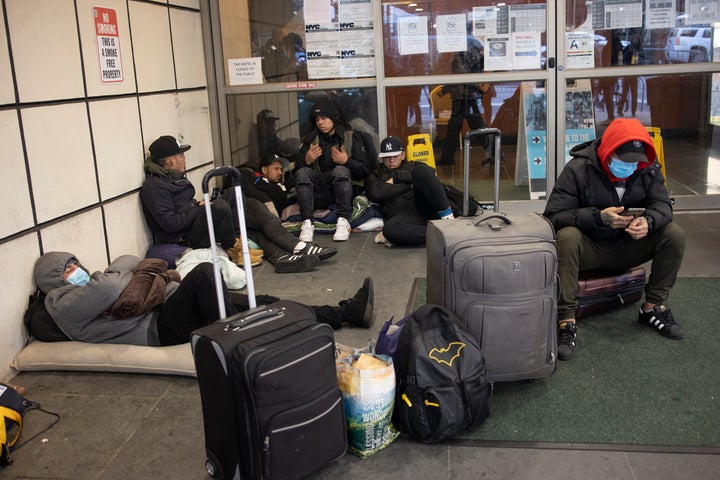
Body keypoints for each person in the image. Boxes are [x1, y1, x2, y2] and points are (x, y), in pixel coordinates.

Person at [543, 118, 686, 361]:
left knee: (673, 233)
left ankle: (652, 308)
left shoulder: (648, 167)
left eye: (635, 162)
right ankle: (566, 319)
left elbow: (662, 204)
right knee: (567, 236)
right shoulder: (578, 169)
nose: (630, 167)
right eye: (624, 161)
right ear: (608, 150)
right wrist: (598, 218)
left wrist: (648, 222)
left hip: (627, 244)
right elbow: (553, 217)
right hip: (589, 247)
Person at [28, 252, 375, 345]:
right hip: (156, 329)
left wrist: (127, 269)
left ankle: (342, 312)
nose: (77, 269)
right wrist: (125, 268)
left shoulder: (85, 288)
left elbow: (126, 267)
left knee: (260, 299)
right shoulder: (61, 304)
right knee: (204, 274)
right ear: (54, 279)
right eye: (68, 267)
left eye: (75, 263)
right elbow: (111, 284)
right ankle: (234, 338)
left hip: (166, 311)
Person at [140, 135, 336, 274]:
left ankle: (283, 256)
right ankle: (288, 246)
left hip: (197, 223)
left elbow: (182, 207)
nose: (185, 158)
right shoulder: (154, 187)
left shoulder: (171, 179)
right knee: (221, 207)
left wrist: (197, 206)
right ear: (172, 160)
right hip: (186, 237)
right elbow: (170, 224)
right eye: (181, 155)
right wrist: (199, 208)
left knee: (238, 198)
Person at [295, 99, 373, 242]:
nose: (320, 122)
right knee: (303, 172)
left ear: (333, 118)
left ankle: (343, 221)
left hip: (344, 192)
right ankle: (307, 222)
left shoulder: (350, 137)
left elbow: (366, 170)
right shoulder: (312, 140)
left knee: (340, 170)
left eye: (324, 118)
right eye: (317, 119)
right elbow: (295, 176)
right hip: (320, 194)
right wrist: (306, 161)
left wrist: (346, 161)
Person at [366, 136, 455, 247]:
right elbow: (376, 193)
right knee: (389, 230)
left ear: (403, 155)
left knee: (421, 171)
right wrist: (409, 186)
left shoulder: (413, 165)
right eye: (387, 157)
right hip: (403, 214)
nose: (391, 160)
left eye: (395, 156)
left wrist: (397, 179)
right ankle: (443, 234)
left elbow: (430, 174)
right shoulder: (376, 174)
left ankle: (449, 220)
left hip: (424, 204)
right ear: (382, 158)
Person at [438, 36, 493, 165]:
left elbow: (459, 77)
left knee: (474, 126)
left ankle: (495, 153)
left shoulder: (464, 51)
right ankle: (447, 156)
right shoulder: (475, 47)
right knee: (457, 126)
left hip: (464, 96)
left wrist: (444, 90)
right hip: (468, 95)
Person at [617, 33, 645, 118]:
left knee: (634, 95)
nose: (635, 41)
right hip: (627, 73)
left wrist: (638, 55)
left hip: (635, 74)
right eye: (634, 39)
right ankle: (619, 110)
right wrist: (631, 52)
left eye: (637, 39)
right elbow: (624, 57)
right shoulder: (628, 47)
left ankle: (633, 112)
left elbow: (643, 59)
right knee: (624, 94)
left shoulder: (640, 49)